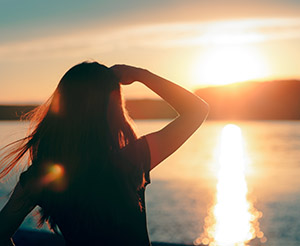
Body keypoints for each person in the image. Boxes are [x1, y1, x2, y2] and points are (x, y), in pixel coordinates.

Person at [0, 62, 209, 246]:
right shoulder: (131, 160)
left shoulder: (39, 178)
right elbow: (197, 110)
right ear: (113, 110)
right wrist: (140, 74)